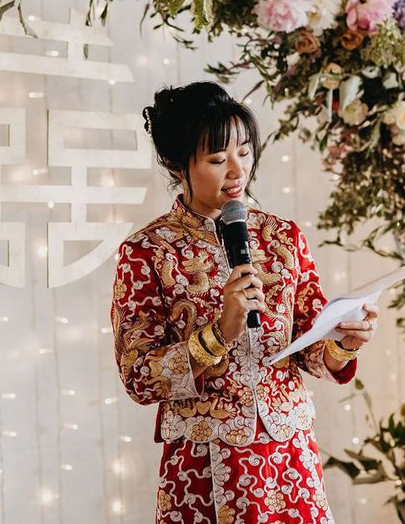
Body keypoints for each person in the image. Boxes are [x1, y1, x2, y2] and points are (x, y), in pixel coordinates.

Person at [110, 81, 379, 524]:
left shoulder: (283, 237)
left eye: (245, 152)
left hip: (289, 459)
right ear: (176, 164)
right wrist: (218, 335)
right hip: (204, 463)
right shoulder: (147, 252)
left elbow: (310, 346)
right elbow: (139, 376)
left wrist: (343, 340)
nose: (237, 171)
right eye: (217, 159)